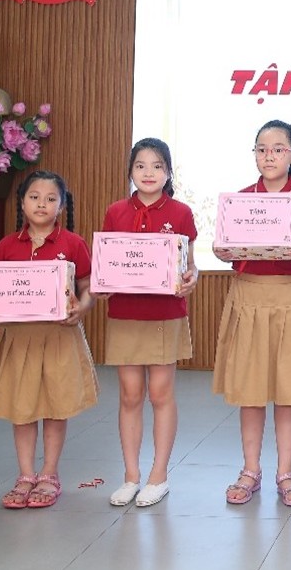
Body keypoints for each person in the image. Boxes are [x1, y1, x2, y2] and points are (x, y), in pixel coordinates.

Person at [213, 121, 291, 507]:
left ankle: (286, 471)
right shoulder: (240, 201)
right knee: (250, 391)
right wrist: (221, 251)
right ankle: (250, 470)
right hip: (249, 297)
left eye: (278, 149)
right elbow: (223, 248)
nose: (269, 156)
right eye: (262, 149)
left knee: (287, 391)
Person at [0, 170, 96, 510]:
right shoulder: (6, 245)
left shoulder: (73, 243)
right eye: (34, 197)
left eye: (50, 199)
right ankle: (25, 475)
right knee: (22, 408)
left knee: (56, 407)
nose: (41, 204)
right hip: (19, 338)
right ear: (22, 203)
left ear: (61, 205)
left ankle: (49, 474)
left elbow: (88, 286)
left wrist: (82, 308)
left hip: (59, 335)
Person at [100, 137, 200, 508]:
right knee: (129, 394)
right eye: (140, 165)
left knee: (160, 393)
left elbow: (190, 265)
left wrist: (192, 277)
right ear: (130, 171)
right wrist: (103, 283)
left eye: (157, 166)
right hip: (125, 313)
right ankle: (130, 476)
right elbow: (107, 261)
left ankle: (159, 476)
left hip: (164, 314)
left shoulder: (181, 212)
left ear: (168, 172)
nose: (148, 173)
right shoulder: (115, 212)